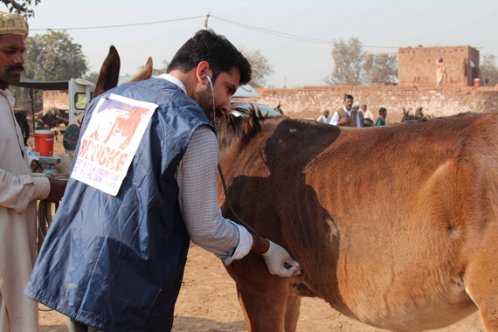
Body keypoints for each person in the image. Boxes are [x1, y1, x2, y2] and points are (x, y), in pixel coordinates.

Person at [26, 29, 301, 332]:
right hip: (127, 290)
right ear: (203, 72)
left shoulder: (105, 101)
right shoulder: (194, 129)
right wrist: (265, 247)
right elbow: (206, 229)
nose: (226, 104)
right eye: (228, 88)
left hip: (70, 269)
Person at [0, 12, 66, 332]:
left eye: (22, 51)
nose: (19, 59)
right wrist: (45, 187)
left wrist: (46, 168)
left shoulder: (4, 102)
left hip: (14, 240)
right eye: (10, 51)